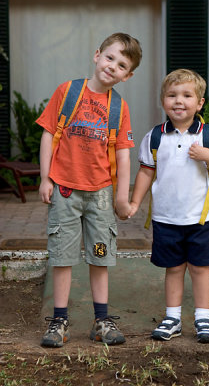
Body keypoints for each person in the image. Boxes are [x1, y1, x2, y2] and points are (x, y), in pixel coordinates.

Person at [36, 32, 142, 347]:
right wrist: (46, 178)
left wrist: (121, 198)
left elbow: (123, 156)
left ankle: (102, 321)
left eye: (121, 65)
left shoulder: (118, 107)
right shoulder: (67, 92)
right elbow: (47, 134)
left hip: (99, 198)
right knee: (63, 256)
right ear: (97, 55)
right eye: (110, 57)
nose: (112, 66)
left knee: (100, 254)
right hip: (65, 193)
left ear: (128, 75)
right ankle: (59, 320)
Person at [129, 69, 209, 343]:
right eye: (172, 95)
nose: (178, 101)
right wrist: (135, 202)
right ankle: (172, 317)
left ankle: (202, 318)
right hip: (166, 217)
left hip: (202, 218)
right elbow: (146, 172)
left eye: (187, 95)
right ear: (163, 100)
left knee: (200, 268)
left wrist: (208, 156)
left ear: (199, 103)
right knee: (173, 268)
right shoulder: (155, 136)